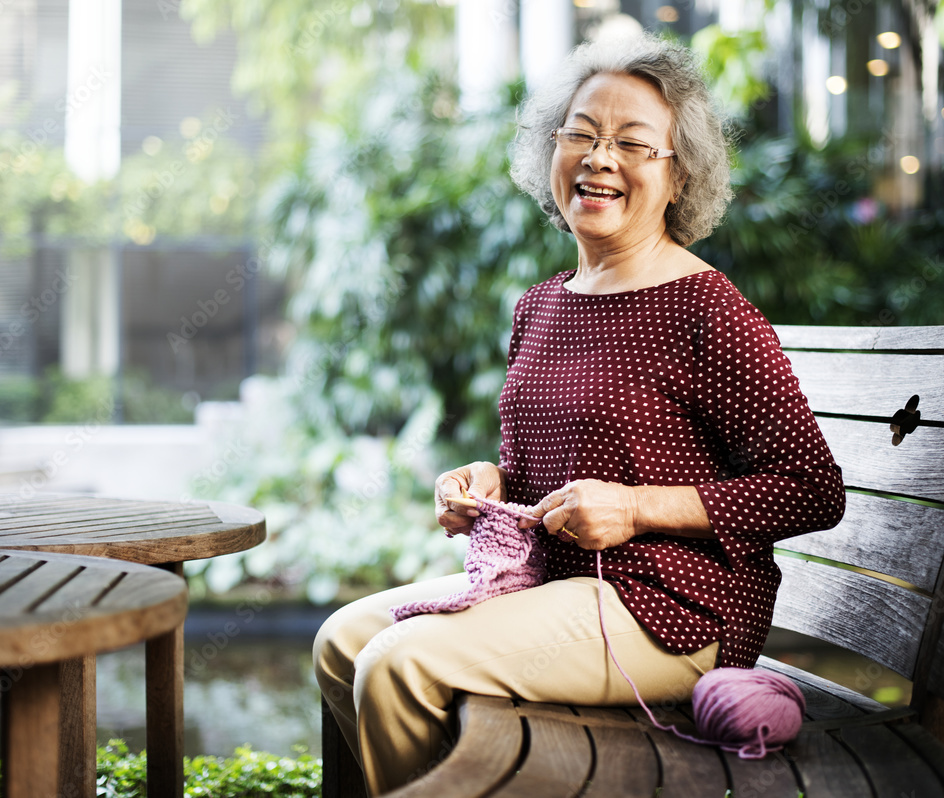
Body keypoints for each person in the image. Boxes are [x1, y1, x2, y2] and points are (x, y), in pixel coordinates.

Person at [313, 31, 845, 796]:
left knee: (402, 662)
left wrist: (636, 508)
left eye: (632, 143)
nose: (599, 159)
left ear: (678, 175)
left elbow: (812, 489)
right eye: (581, 136)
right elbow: (539, 470)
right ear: (550, 153)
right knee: (342, 641)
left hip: (672, 610)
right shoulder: (541, 306)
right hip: (549, 584)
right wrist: (488, 482)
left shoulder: (708, 309)